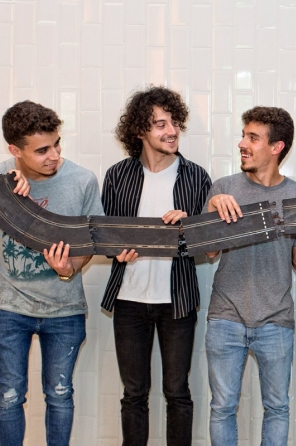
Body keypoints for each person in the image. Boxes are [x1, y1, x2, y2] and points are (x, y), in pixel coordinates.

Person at [0, 100, 103, 446]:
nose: (55, 156)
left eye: (57, 144)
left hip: (65, 309)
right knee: (8, 395)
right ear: (15, 150)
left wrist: (69, 269)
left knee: (60, 395)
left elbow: (90, 243)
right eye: (42, 150)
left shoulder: (82, 180)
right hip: (8, 307)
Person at [204, 106, 296, 446]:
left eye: (253, 138)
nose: (242, 144)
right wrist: (212, 208)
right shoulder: (223, 189)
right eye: (243, 136)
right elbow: (209, 252)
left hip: (276, 320)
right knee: (222, 407)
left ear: (276, 147)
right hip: (225, 317)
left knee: (277, 408)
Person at [99, 86, 211, 446]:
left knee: (177, 391)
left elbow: (209, 248)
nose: (172, 131)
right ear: (139, 131)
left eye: (175, 122)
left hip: (177, 300)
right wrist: (115, 252)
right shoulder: (117, 175)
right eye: (161, 124)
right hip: (128, 301)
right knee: (134, 394)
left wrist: (190, 226)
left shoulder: (197, 177)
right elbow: (105, 236)